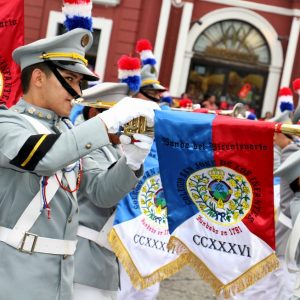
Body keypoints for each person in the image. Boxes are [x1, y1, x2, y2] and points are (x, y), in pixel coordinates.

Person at [0, 28, 159, 300]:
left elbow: (100, 192)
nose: (77, 91)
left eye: (79, 81)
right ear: (38, 77)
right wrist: (104, 123)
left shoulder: (67, 132)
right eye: (69, 79)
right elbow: (41, 157)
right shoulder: (8, 123)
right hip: (15, 275)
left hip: (63, 277)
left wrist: (131, 163)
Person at [73, 81, 150, 300]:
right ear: (95, 113)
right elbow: (102, 193)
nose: (128, 124)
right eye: (121, 117)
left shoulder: (114, 146)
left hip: (104, 260)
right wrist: (133, 161)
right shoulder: (83, 144)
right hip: (83, 260)